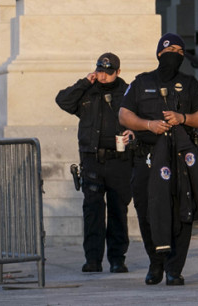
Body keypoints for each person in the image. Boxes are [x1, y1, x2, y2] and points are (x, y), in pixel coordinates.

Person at [118, 33, 198, 286]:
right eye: (169, 49)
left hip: (181, 160)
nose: (175, 54)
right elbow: (124, 114)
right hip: (147, 159)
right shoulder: (141, 82)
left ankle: (175, 268)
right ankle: (155, 263)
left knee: (182, 211)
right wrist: (147, 124)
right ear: (159, 53)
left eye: (180, 51)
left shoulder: (191, 84)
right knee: (147, 212)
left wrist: (183, 118)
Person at [55, 52, 135, 273]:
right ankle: (93, 259)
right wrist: (84, 82)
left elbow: (139, 119)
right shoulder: (87, 91)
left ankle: (117, 259)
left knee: (119, 211)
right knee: (93, 211)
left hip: (120, 160)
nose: (103, 76)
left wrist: (133, 133)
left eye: (108, 72)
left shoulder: (128, 93)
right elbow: (63, 101)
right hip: (92, 159)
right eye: (100, 71)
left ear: (117, 72)